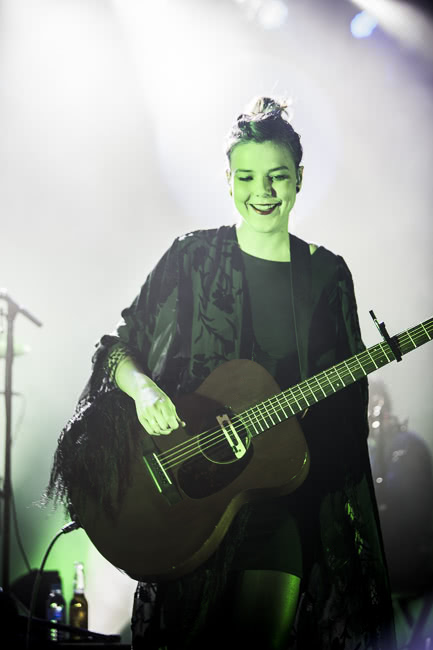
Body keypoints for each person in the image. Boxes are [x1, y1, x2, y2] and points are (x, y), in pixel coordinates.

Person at [47, 97, 396, 649]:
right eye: (248, 177)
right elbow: (118, 348)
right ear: (228, 180)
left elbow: (345, 413)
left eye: (278, 175)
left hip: (278, 504)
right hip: (185, 506)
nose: (263, 191)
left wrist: (284, 427)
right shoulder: (191, 259)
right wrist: (143, 391)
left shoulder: (327, 273)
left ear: (300, 178)